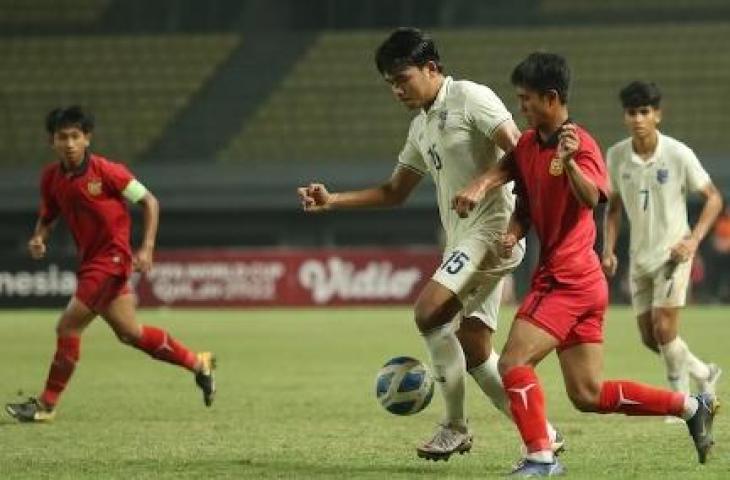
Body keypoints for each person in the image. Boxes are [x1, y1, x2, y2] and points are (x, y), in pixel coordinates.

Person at [297, 28, 563, 461]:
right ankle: (543, 434)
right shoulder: (421, 125)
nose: (397, 90)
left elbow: (524, 152)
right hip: (465, 238)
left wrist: (482, 184)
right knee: (476, 351)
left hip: (493, 231)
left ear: (432, 68)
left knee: (427, 312)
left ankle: (454, 426)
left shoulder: (471, 98)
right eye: (390, 84)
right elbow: (394, 192)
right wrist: (334, 201)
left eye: (403, 78)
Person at [453, 53, 718, 476]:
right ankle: (691, 405)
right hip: (583, 282)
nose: (520, 106)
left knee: (512, 364)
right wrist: (515, 230)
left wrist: (571, 160)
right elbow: (525, 197)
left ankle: (541, 456)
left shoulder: (581, 143)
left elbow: (592, 197)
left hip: (567, 279)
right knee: (588, 393)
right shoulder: (527, 144)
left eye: (526, 99)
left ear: (551, 97)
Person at [5, 106, 216, 423]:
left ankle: (46, 405)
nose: (70, 143)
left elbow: (150, 202)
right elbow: (49, 216)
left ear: (87, 138)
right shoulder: (51, 178)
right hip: (90, 262)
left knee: (68, 325)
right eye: (62, 137)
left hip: (113, 261)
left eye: (76, 136)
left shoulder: (108, 172)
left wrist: (147, 248)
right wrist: (39, 237)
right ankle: (199, 363)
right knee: (130, 333)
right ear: (52, 141)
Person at [601, 81, 723, 411]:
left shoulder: (677, 153)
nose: (638, 118)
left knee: (664, 329)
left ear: (657, 115)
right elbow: (611, 208)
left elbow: (713, 198)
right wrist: (608, 249)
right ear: (624, 117)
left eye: (645, 111)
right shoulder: (616, 155)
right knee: (648, 337)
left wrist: (693, 240)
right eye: (632, 112)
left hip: (673, 254)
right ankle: (704, 371)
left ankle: (681, 401)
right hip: (638, 257)